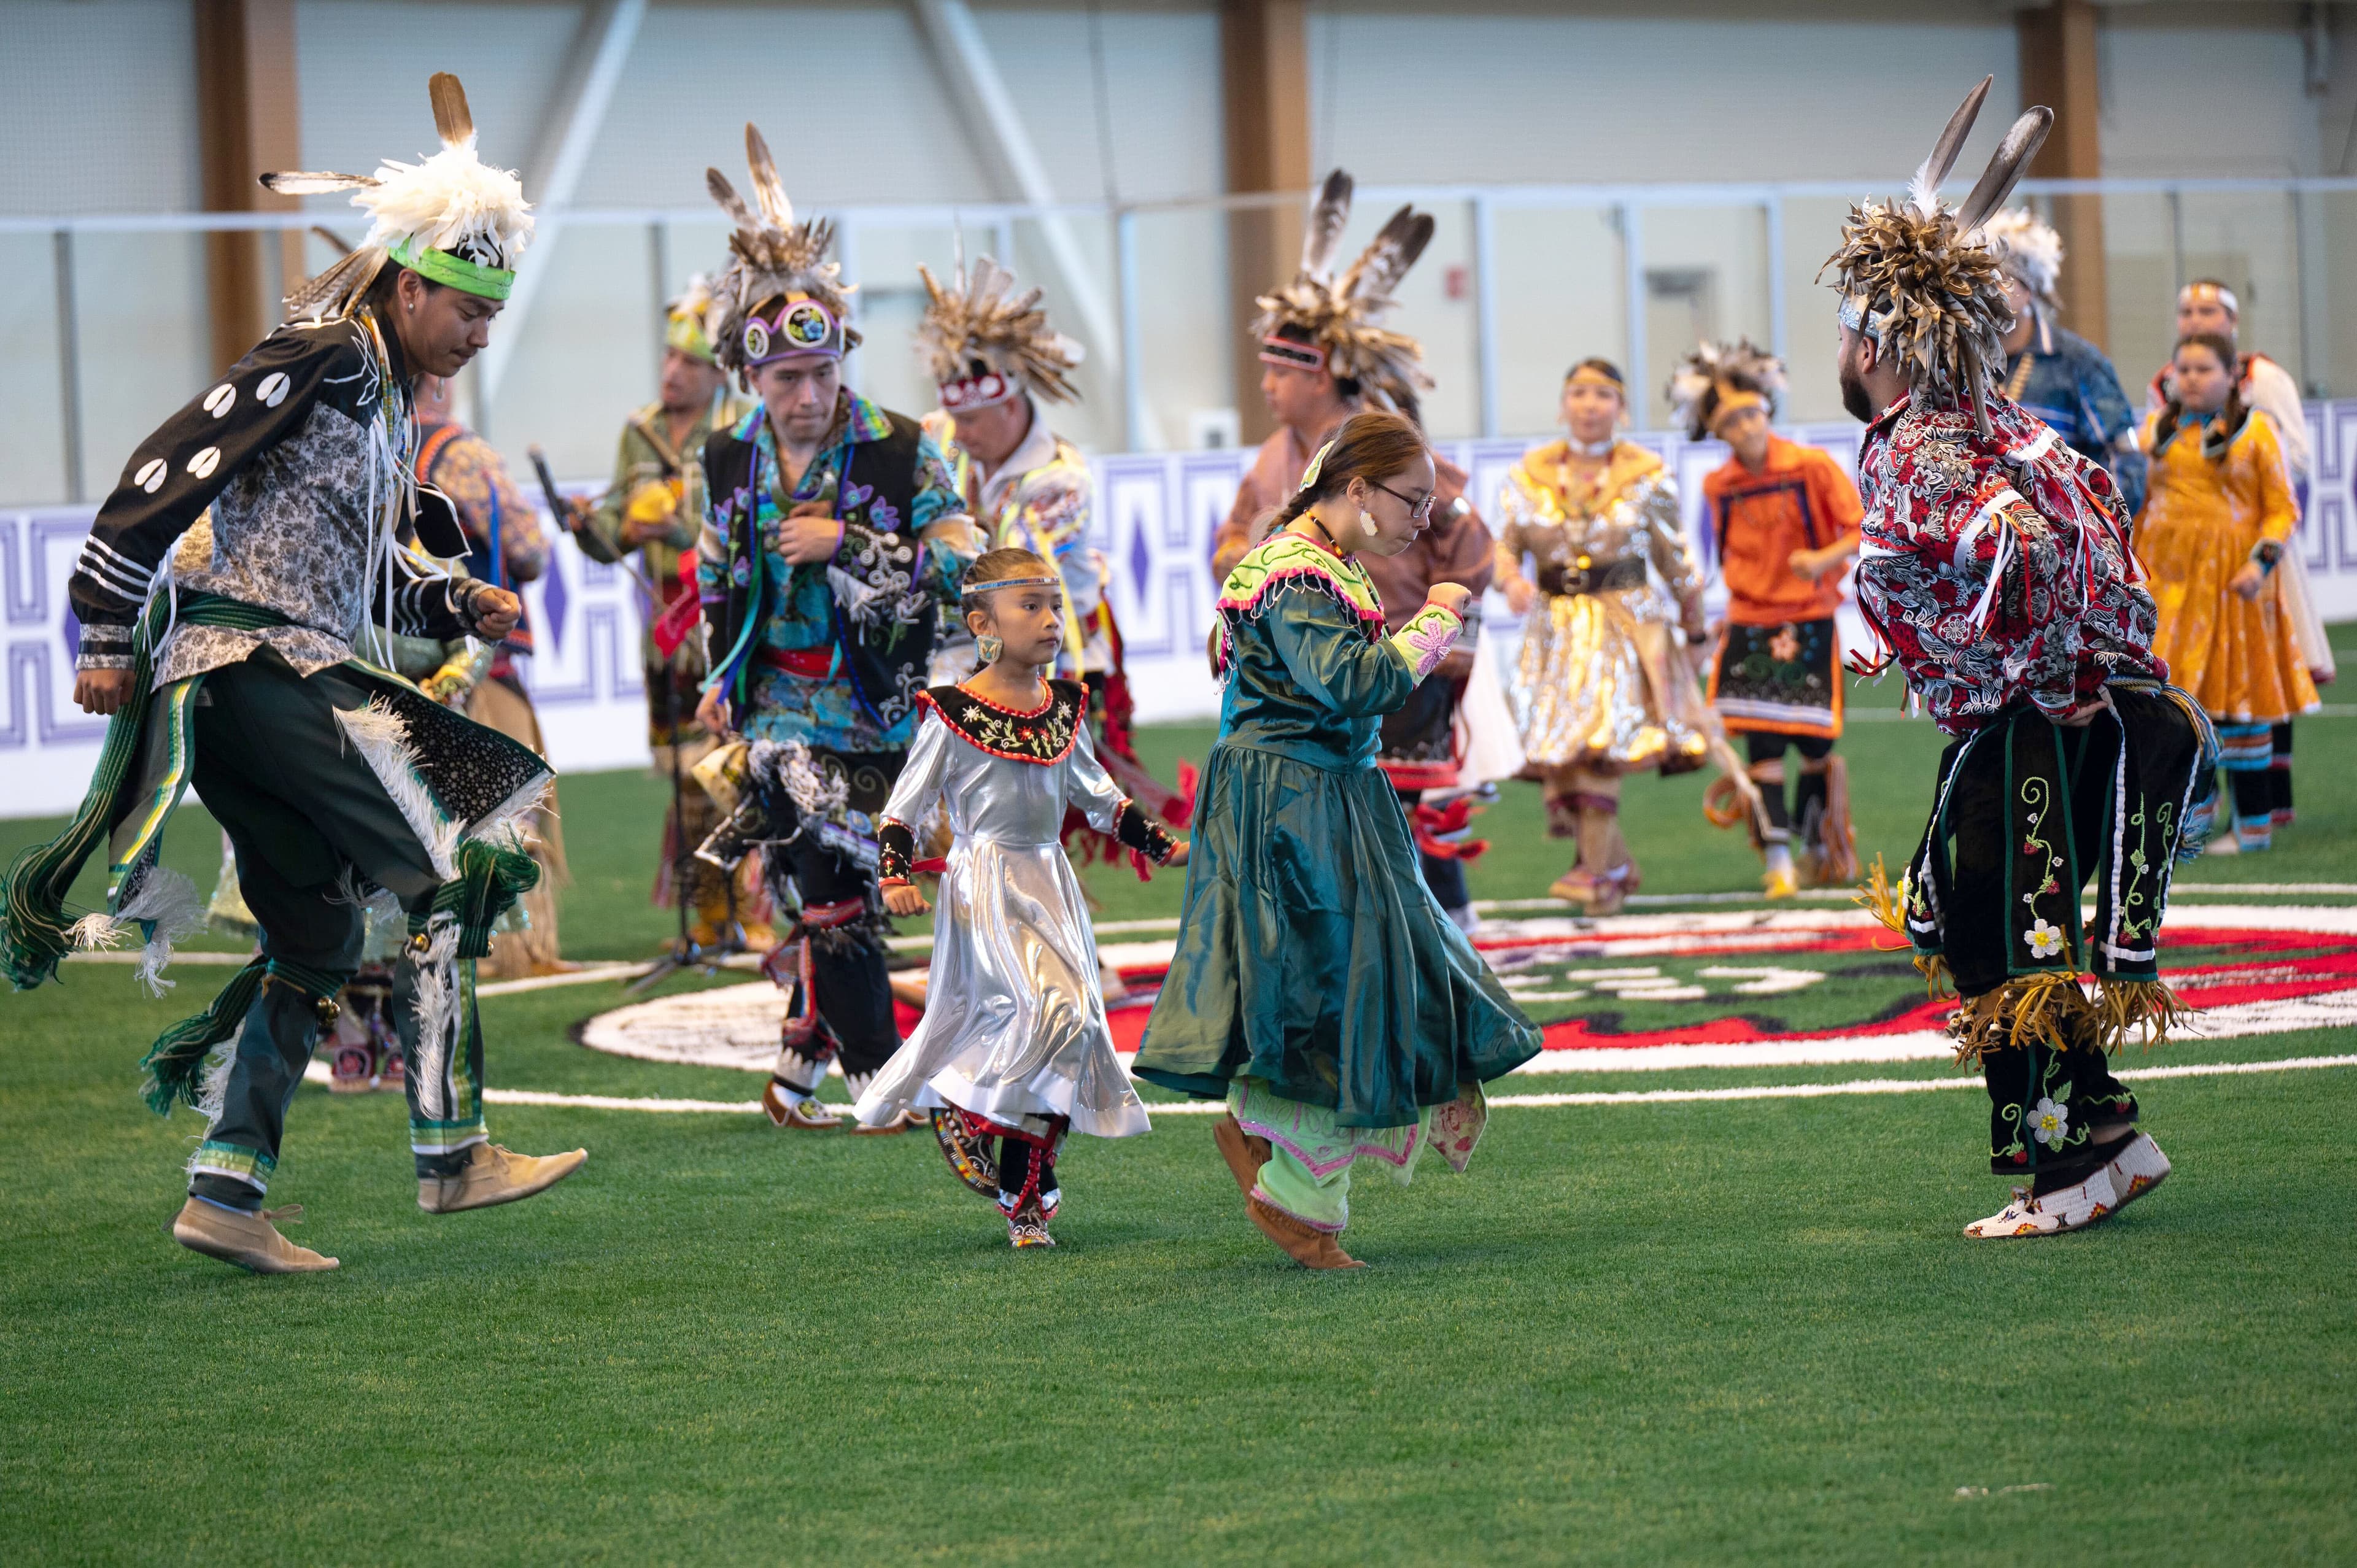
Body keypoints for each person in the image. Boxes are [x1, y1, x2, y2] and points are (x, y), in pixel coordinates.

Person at [1, 74, 585, 1273]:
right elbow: (170, 461)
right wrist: (104, 627)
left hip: (264, 676)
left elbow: (348, 568)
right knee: (450, 859)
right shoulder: (322, 353)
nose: (481, 335)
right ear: (411, 285)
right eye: (468, 310)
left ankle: (227, 1188)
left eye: (494, 312)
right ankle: (454, 1152)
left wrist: (446, 596)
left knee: (316, 934)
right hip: (258, 666)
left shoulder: (375, 395)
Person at [1830, 78, 2208, 1240]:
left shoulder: (1927, 444)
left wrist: (2031, 658)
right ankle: (2112, 1139)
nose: (1839, 352)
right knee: (1966, 919)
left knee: (2006, 942)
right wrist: (1896, 619)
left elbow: (2026, 544)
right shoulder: (1991, 421)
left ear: (1887, 345)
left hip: (2032, 723)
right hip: (2051, 715)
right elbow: (2094, 517)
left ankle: (2060, 1181)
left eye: (1850, 332)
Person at [1133, 412, 1541, 1270]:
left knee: (1331, 973)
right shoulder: (1295, 573)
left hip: (1312, 790)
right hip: (1297, 798)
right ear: (1357, 490)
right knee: (1345, 983)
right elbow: (1355, 684)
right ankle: (1300, 1197)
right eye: (1413, 500)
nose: (1423, 519)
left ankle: (1268, 1138)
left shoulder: (1313, 566)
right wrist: (1436, 617)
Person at [689, 125, 975, 1133]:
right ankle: (876, 1077)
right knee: (831, 886)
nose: (806, 397)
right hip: (778, 709)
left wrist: (849, 540)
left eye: (819, 373)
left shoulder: (902, 451)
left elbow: (959, 562)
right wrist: (718, 670)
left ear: (841, 360)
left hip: (879, 706)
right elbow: (717, 573)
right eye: (784, 381)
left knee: (843, 879)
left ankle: (793, 1075)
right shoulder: (727, 460)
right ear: (753, 382)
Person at [851, 548, 1187, 1247]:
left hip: (1049, 883)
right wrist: (895, 873)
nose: (1051, 619)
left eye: (1055, 604)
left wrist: (1162, 844)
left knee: (1078, 1027)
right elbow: (902, 810)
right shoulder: (950, 713)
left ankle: (1021, 1183)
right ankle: (984, 1132)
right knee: (1051, 1010)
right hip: (985, 885)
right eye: (1029, 605)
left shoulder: (1066, 706)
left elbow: (1099, 796)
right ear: (983, 622)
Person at [1207, 171, 1496, 924]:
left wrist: (1445, 630)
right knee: (1356, 841)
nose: (1266, 384)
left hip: (1395, 661)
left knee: (1405, 816)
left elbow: (1468, 535)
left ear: (1324, 370)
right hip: (1305, 691)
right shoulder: (1273, 458)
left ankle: (1447, 937)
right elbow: (1231, 546)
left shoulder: (1387, 444)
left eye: (1280, 369)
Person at [913, 249, 1192, 849]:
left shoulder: (1061, 479)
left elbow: (1000, 575)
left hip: (1046, 654)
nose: (960, 434)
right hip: (970, 644)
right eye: (954, 418)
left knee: (1021, 818)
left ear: (1012, 406)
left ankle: (1038, 925)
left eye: (975, 420)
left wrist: (921, 549)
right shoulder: (950, 434)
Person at [568, 276, 763, 949]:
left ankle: (754, 908)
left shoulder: (743, 429)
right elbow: (614, 534)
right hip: (669, 638)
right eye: (670, 359)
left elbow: (751, 527)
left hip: (733, 630)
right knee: (687, 781)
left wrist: (683, 532)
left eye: (691, 363)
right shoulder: (640, 431)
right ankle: (709, 916)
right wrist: (589, 528)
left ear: (720, 373)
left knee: (740, 771)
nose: (673, 372)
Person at [1492, 359, 1711, 914]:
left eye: (1603, 395)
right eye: (1579, 393)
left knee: (1600, 744)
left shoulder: (1647, 475)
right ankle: (1614, 865)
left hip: (1623, 626)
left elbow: (1676, 557)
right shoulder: (1528, 475)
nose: (1590, 405)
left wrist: (1695, 626)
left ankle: (1594, 874)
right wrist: (1511, 579)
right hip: (1553, 630)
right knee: (1560, 753)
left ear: (1621, 408)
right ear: (1563, 405)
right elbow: (1502, 547)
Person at [1672, 341, 1862, 899]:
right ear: (1716, 430)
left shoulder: (1810, 466)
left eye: (1753, 412)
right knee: (1763, 752)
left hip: (1808, 618)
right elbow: (1711, 559)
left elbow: (1860, 529)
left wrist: (1822, 560)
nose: (1747, 426)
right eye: (1731, 419)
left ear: (1768, 409)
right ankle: (1777, 859)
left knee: (1816, 747)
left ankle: (1817, 846)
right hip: (1750, 621)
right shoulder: (1718, 486)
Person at [2149, 279, 2332, 830]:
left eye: (2208, 309)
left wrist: (2259, 553)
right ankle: (2195, 821)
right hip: (2174, 583)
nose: (2197, 318)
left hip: (2245, 568)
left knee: (2252, 690)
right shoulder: (2161, 417)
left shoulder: (2263, 389)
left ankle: (2265, 811)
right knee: (2181, 699)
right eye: (2187, 310)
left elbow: (2288, 480)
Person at [413, 373, 570, 976]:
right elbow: (528, 548)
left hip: (399, 661)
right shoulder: (456, 452)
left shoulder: (377, 448)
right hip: (475, 656)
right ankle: (512, 947)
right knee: (510, 796)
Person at [1978, 207, 2146, 515]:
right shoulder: (1964, 363)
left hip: (2069, 545)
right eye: (1980, 278)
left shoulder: (2077, 363)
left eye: (2001, 279)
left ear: (2028, 291)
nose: (1987, 289)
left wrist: (2092, 530)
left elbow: (2125, 460)